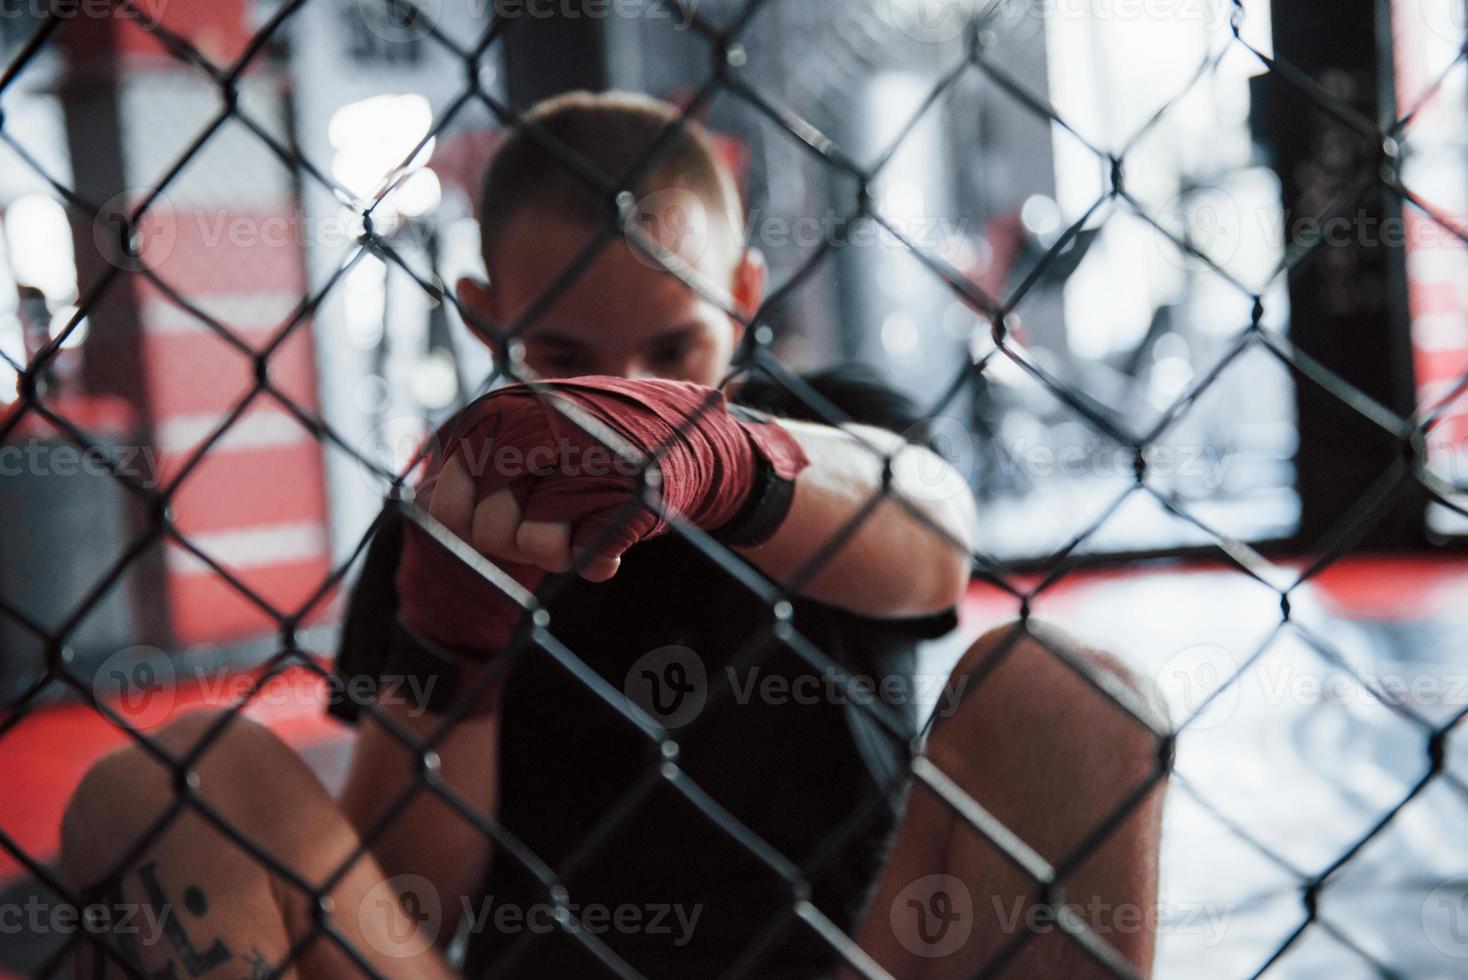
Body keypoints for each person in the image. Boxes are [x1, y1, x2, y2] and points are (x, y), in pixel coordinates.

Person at [62, 91, 1169, 979]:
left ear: (742, 294)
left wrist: (720, 454)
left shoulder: (835, 419)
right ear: (484, 312)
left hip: (849, 956)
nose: (614, 399)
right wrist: (455, 655)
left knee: (1072, 690)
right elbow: (409, 899)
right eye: (566, 357)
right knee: (167, 779)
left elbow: (933, 536)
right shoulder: (450, 509)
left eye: (671, 350)